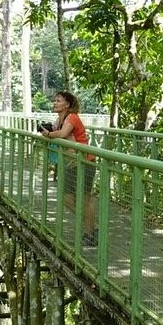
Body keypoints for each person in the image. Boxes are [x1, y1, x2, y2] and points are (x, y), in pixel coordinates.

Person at [41, 90, 98, 245]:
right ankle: (91, 225)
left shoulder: (72, 117)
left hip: (85, 160)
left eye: (58, 100)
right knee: (67, 198)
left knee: (85, 198)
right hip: (71, 162)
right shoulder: (60, 119)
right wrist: (50, 131)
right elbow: (58, 132)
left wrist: (48, 134)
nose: (55, 103)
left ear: (67, 104)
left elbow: (63, 133)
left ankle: (89, 234)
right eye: (55, 100)